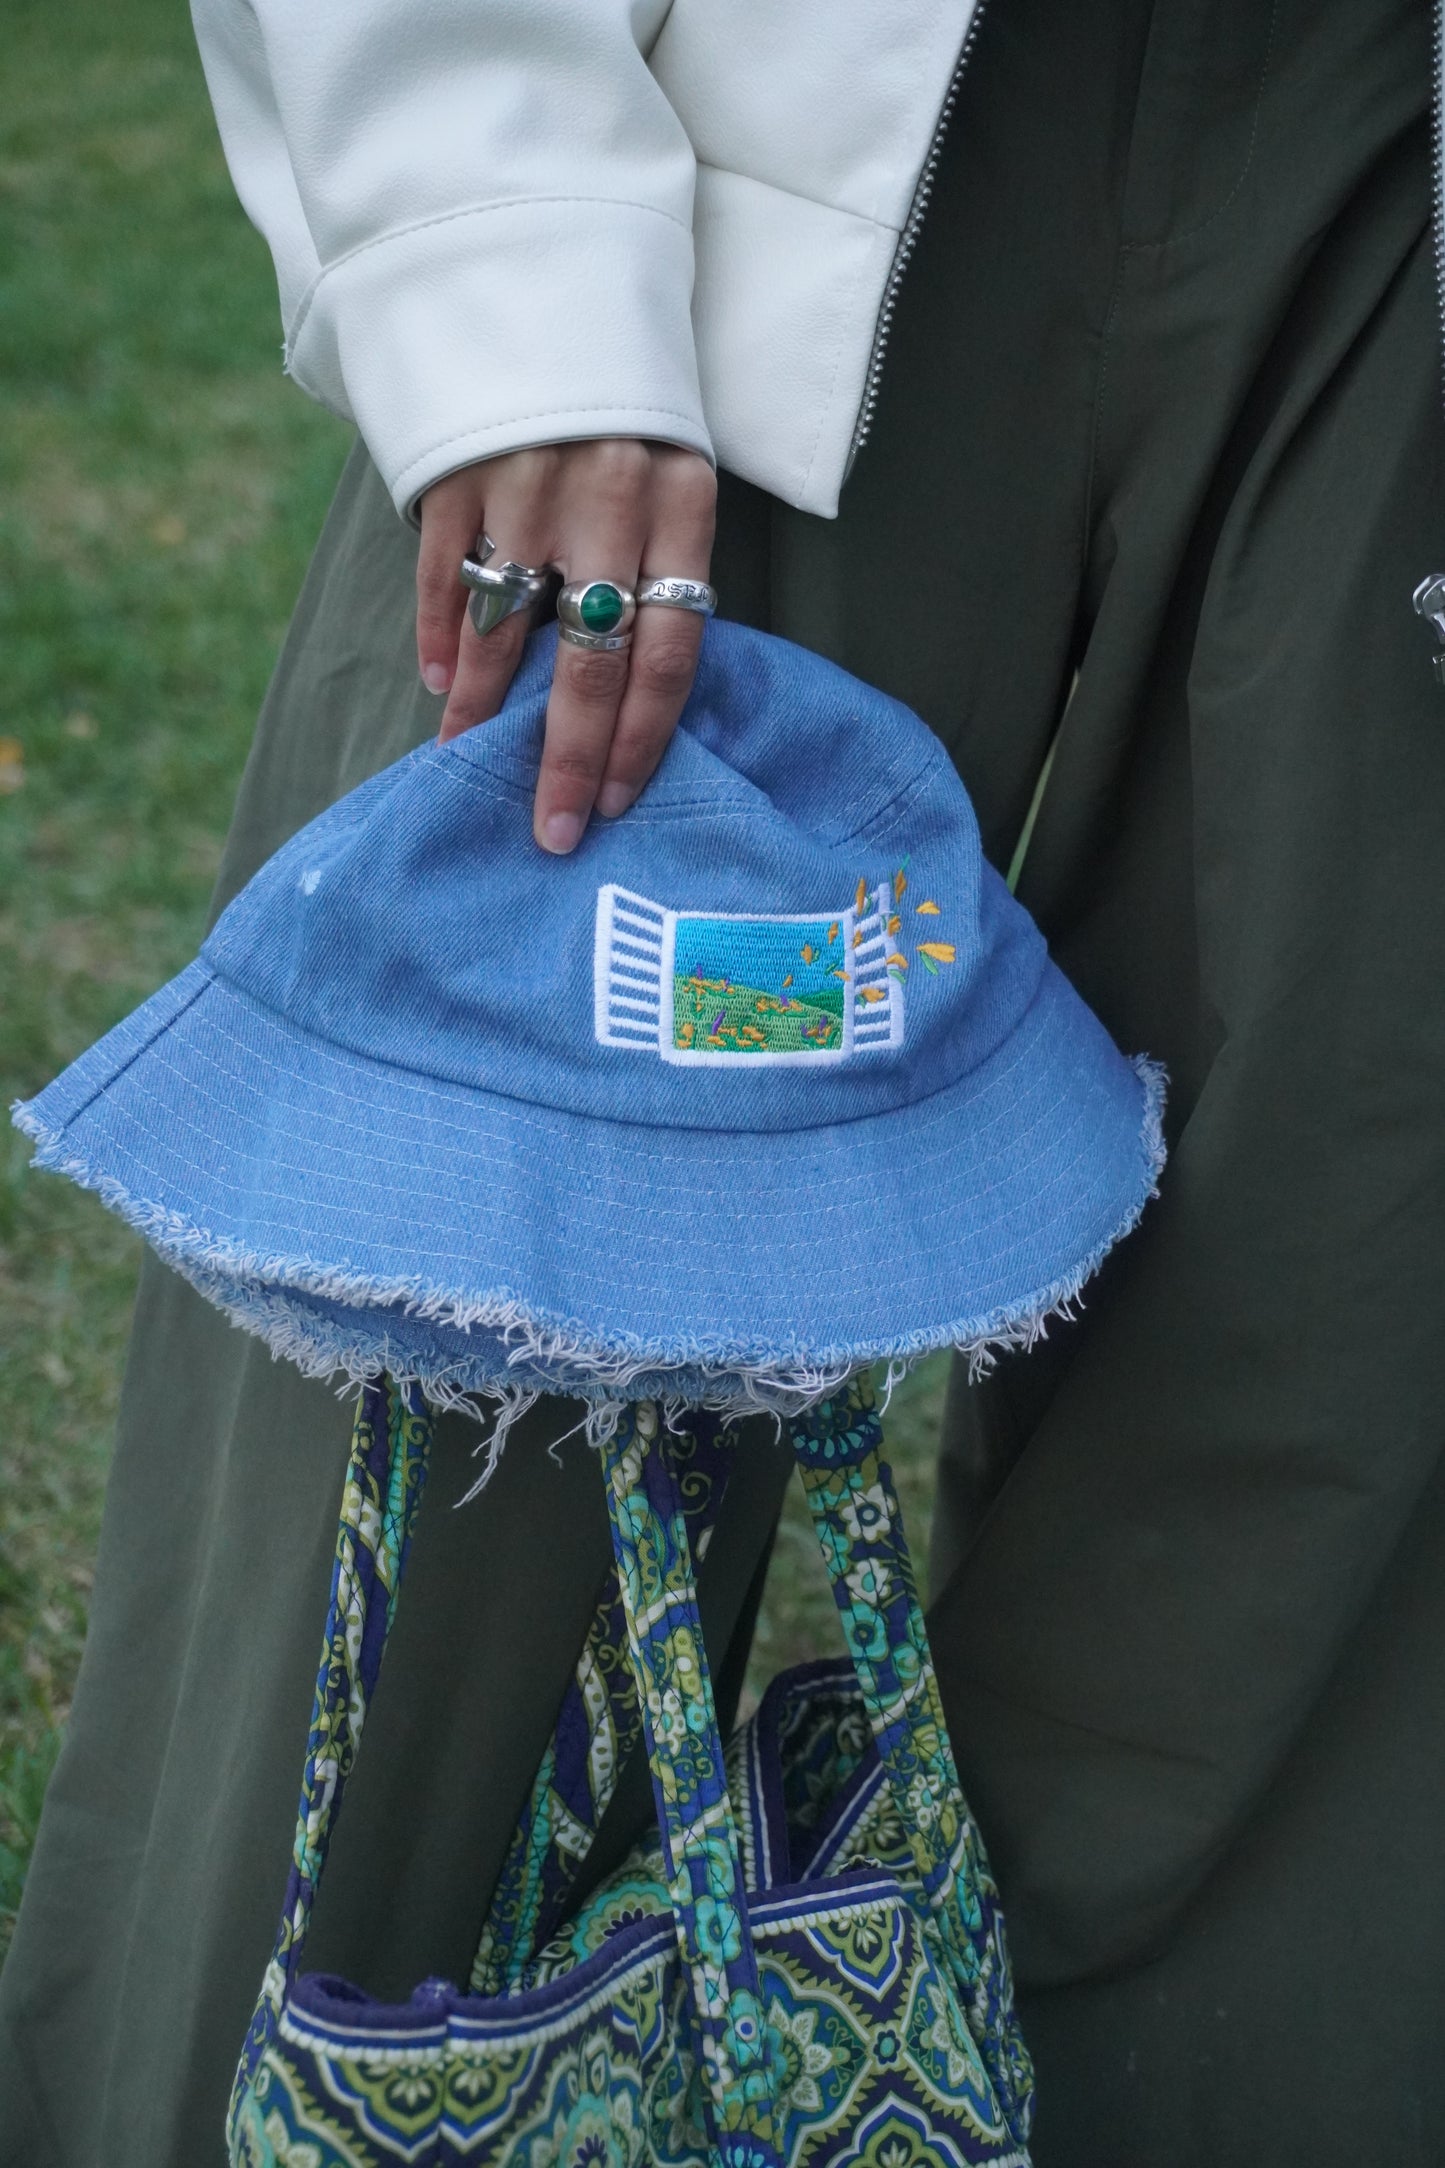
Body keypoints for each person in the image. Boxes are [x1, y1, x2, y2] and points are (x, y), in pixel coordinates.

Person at [2, 1, 1442, 2163]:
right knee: (438, 1381)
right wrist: (501, 231)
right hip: (774, 117)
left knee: (1318, 1397)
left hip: (1394, 168)